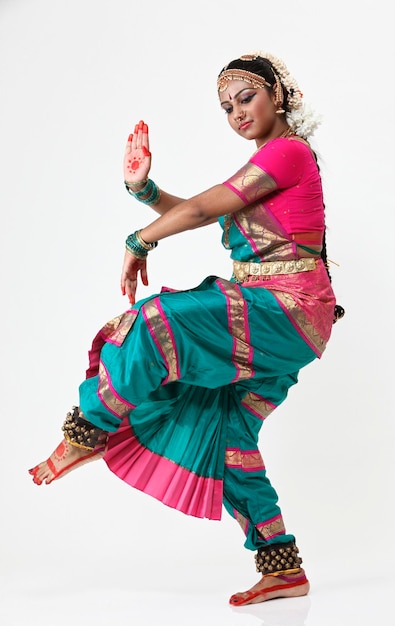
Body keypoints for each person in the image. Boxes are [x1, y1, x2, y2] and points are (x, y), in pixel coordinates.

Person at [29, 52, 344, 606]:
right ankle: (282, 566)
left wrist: (139, 239)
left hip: (285, 309)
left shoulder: (288, 152)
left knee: (157, 322)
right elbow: (209, 210)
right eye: (226, 107)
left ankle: (88, 431)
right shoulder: (269, 167)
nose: (237, 113)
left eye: (247, 98)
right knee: (227, 439)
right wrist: (144, 191)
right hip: (285, 319)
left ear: (278, 95)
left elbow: (201, 210)